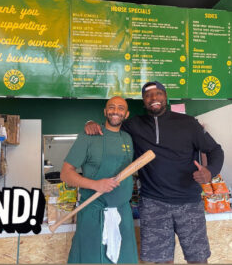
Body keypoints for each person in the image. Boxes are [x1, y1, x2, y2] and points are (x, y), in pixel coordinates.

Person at [85, 81, 224, 264]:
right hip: (153, 203)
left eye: (158, 93)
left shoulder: (189, 123)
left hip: (189, 202)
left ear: (165, 96)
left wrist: (210, 171)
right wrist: (90, 123)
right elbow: (111, 127)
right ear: (144, 101)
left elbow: (216, 150)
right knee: (161, 261)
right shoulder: (133, 125)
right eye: (148, 95)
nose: (154, 98)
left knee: (198, 259)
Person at [60, 96, 138, 264]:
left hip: (122, 214)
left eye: (120, 108)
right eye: (111, 107)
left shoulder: (127, 139)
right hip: (93, 213)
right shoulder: (88, 136)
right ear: (105, 111)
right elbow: (65, 174)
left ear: (126, 113)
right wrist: (96, 184)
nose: (115, 111)